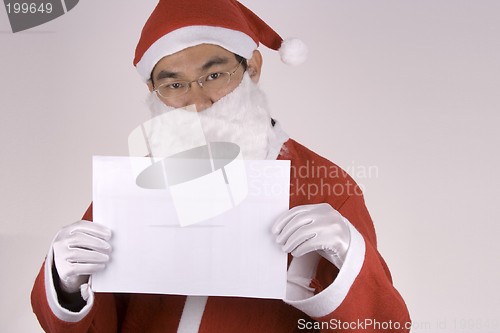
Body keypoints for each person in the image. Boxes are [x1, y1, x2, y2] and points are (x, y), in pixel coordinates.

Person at [31, 0, 411, 332]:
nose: (199, 101)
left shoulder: (324, 185)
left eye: (214, 75)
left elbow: (383, 327)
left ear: (254, 67)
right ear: (153, 92)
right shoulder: (135, 186)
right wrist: (65, 282)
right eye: (174, 85)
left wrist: (349, 261)